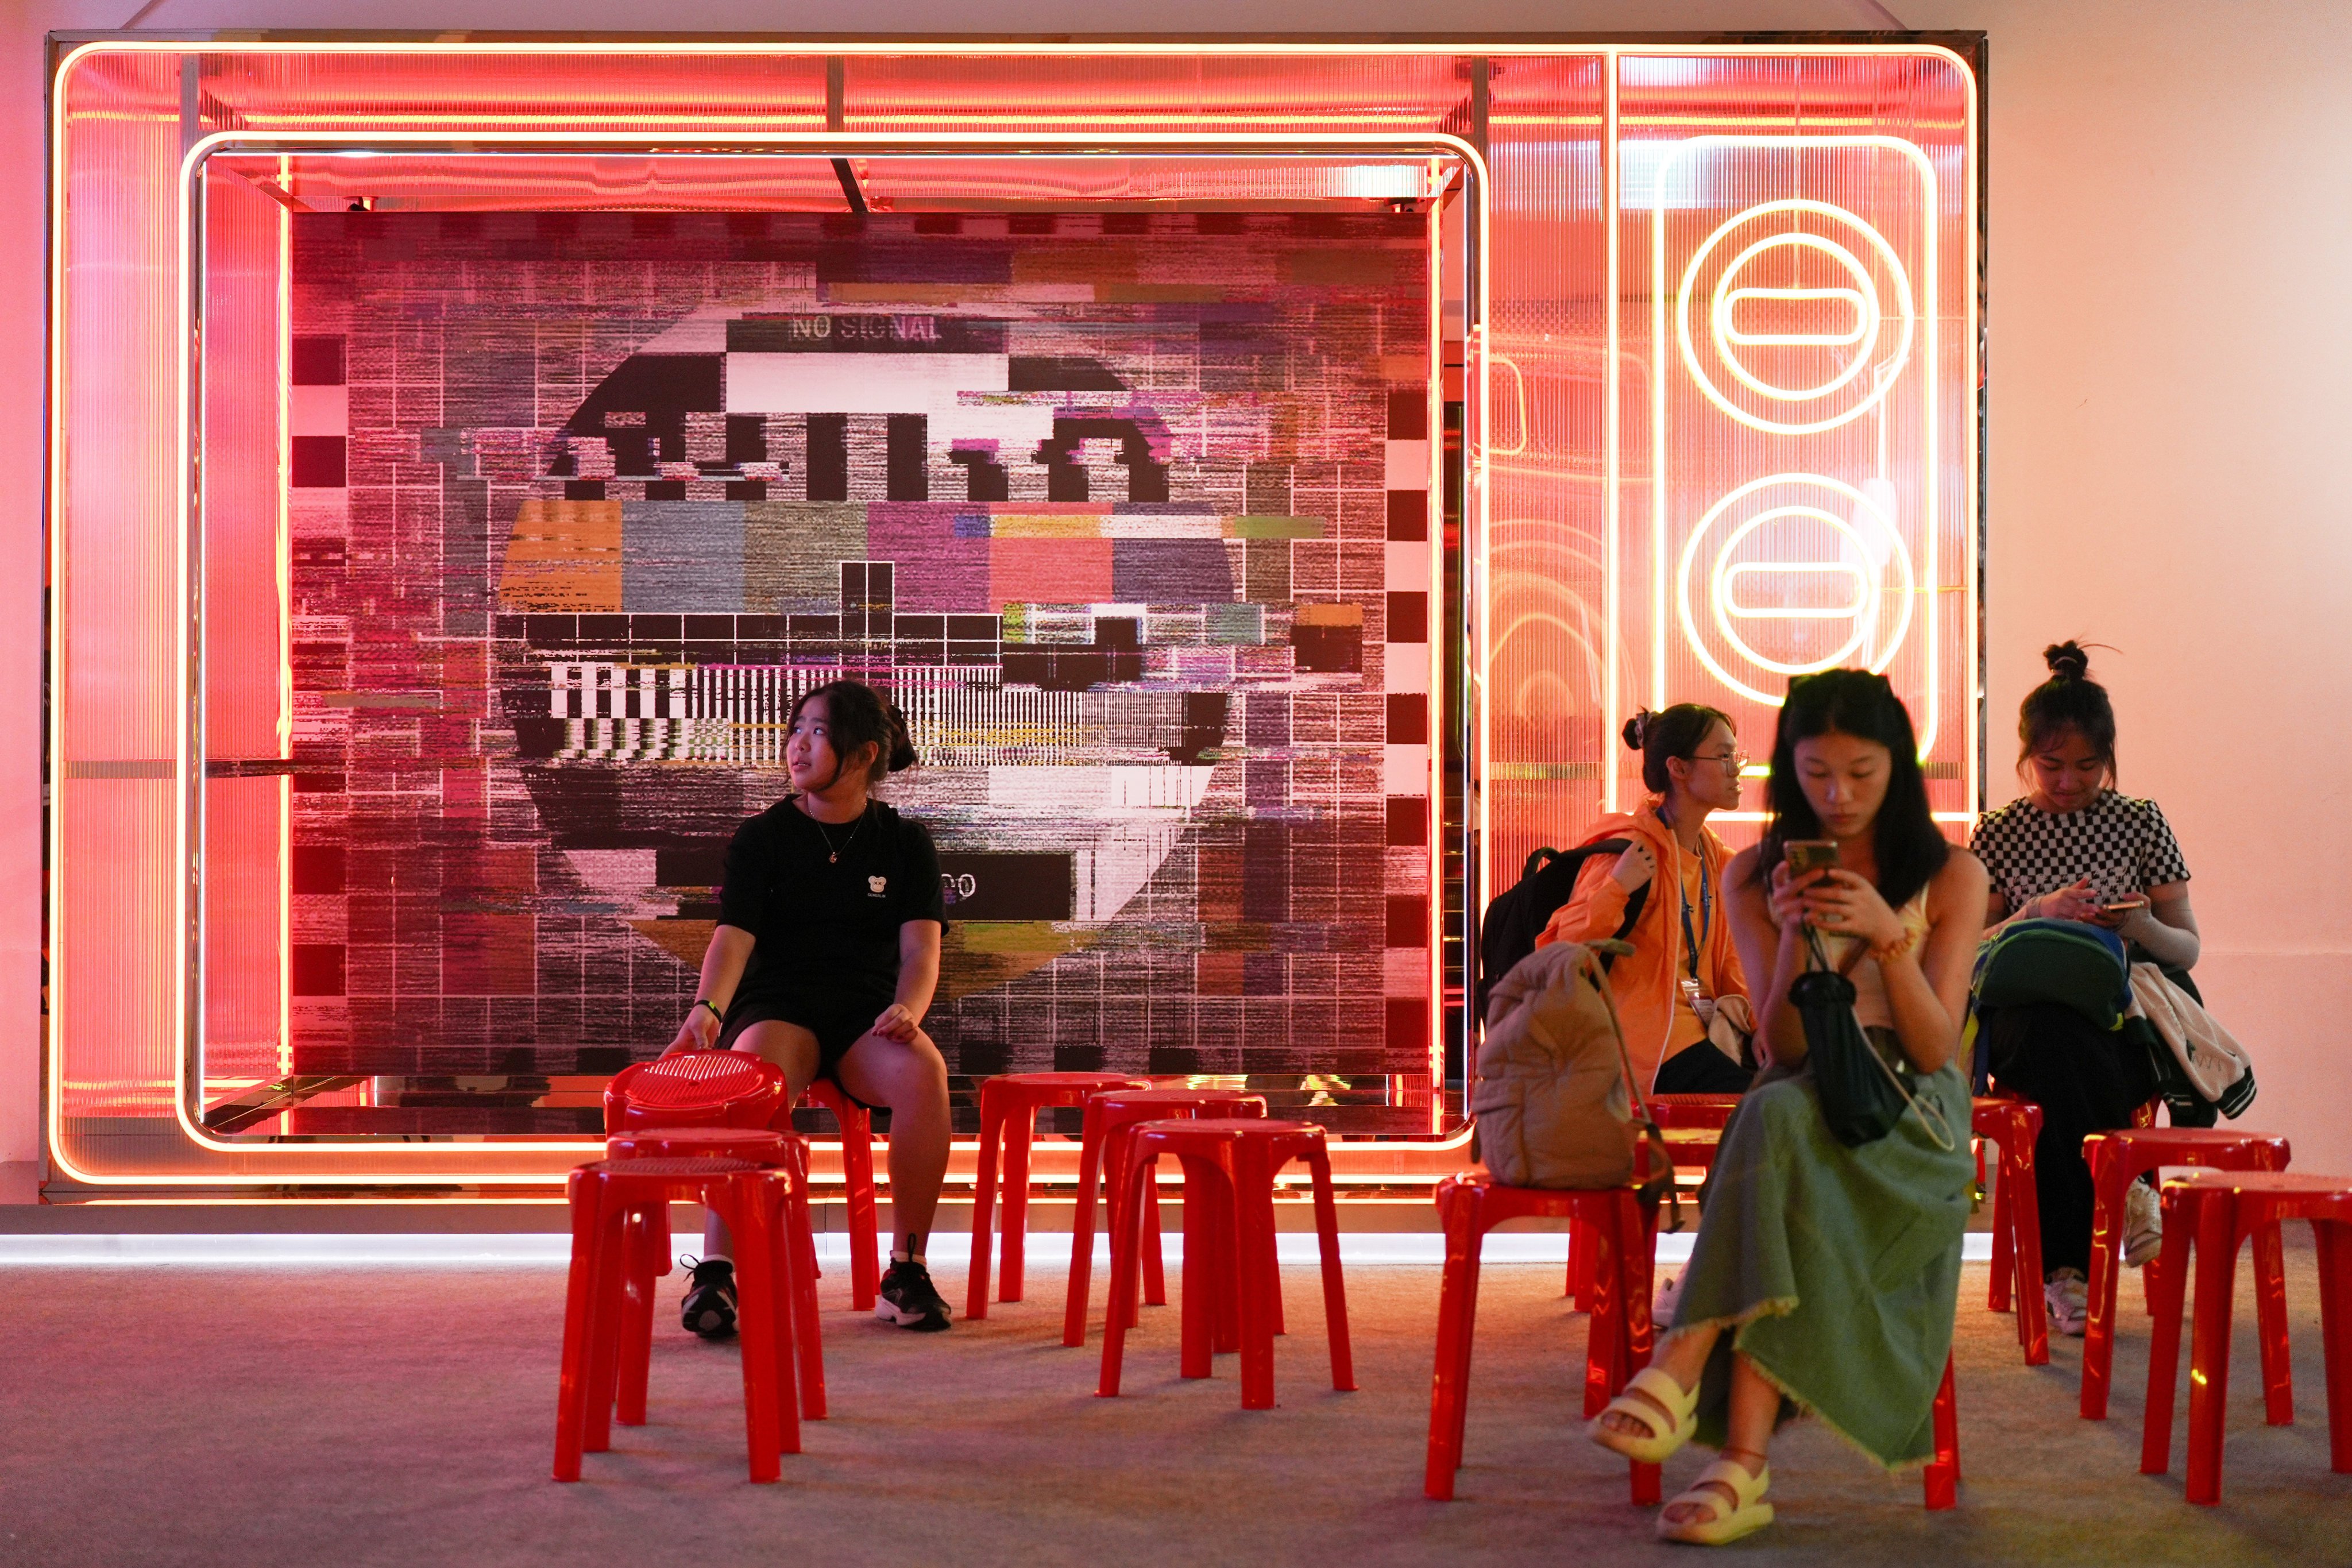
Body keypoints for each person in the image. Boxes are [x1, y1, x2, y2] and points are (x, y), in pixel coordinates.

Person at [1589, 669, 1986, 1546]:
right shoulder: (1751, 876)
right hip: (1807, 1090)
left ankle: (1683, 1364)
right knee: (1776, 1112)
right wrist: (1803, 934)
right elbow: (1784, 1047)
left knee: (1771, 1127)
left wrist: (1886, 937)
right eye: (1814, 773)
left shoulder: (1952, 873)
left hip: (1909, 1116)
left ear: (1898, 768)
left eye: (1860, 772)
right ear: (1788, 771)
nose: (1836, 797)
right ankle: (1740, 1464)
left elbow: (1932, 1051)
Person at [663, 679, 956, 1335]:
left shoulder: (906, 844)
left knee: (924, 1073)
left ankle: (906, 1269)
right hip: (779, 1005)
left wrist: (909, 1010)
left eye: (818, 732)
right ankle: (717, 1271)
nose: (798, 743)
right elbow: (733, 937)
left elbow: (920, 954)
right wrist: (708, 1009)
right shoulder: (763, 837)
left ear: (862, 755)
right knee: (751, 1078)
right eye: (797, 727)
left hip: (866, 1010)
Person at [1971, 641, 2199, 1335]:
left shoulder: (2139, 820)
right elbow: (1964, 953)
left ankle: (2064, 1273)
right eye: (2050, 766)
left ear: (2110, 759)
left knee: (2074, 1054)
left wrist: (2139, 929)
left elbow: (2187, 947)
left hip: (2123, 1010)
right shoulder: (2001, 833)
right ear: (2025, 757)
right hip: (2025, 1015)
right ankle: (2129, 1188)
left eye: (2086, 767)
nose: (2067, 782)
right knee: (2056, 1037)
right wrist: (2034, 914)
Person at [1533, 705, 1752, 1095]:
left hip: (1703, 1033)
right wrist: (1617, 887)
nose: (1736, 769)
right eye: (1722, 756)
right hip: (1639, 1047)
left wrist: (1750, 1016)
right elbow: (1560, 951)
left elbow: (1728, 963)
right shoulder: (1629, 850)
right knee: (1758, 1111)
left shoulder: (1717, 860)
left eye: (1735, 756)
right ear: (1678, 768)